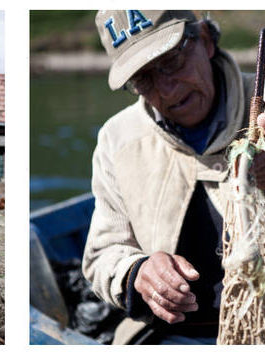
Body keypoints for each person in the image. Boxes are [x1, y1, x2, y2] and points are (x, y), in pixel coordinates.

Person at [82, 10, 265, 344]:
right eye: (143, 79)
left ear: (207, 40)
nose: (165, 90)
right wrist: (136, 274)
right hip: (167, 335)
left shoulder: (262, 111)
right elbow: (103, 254)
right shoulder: (117, 139)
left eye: (172, 62)